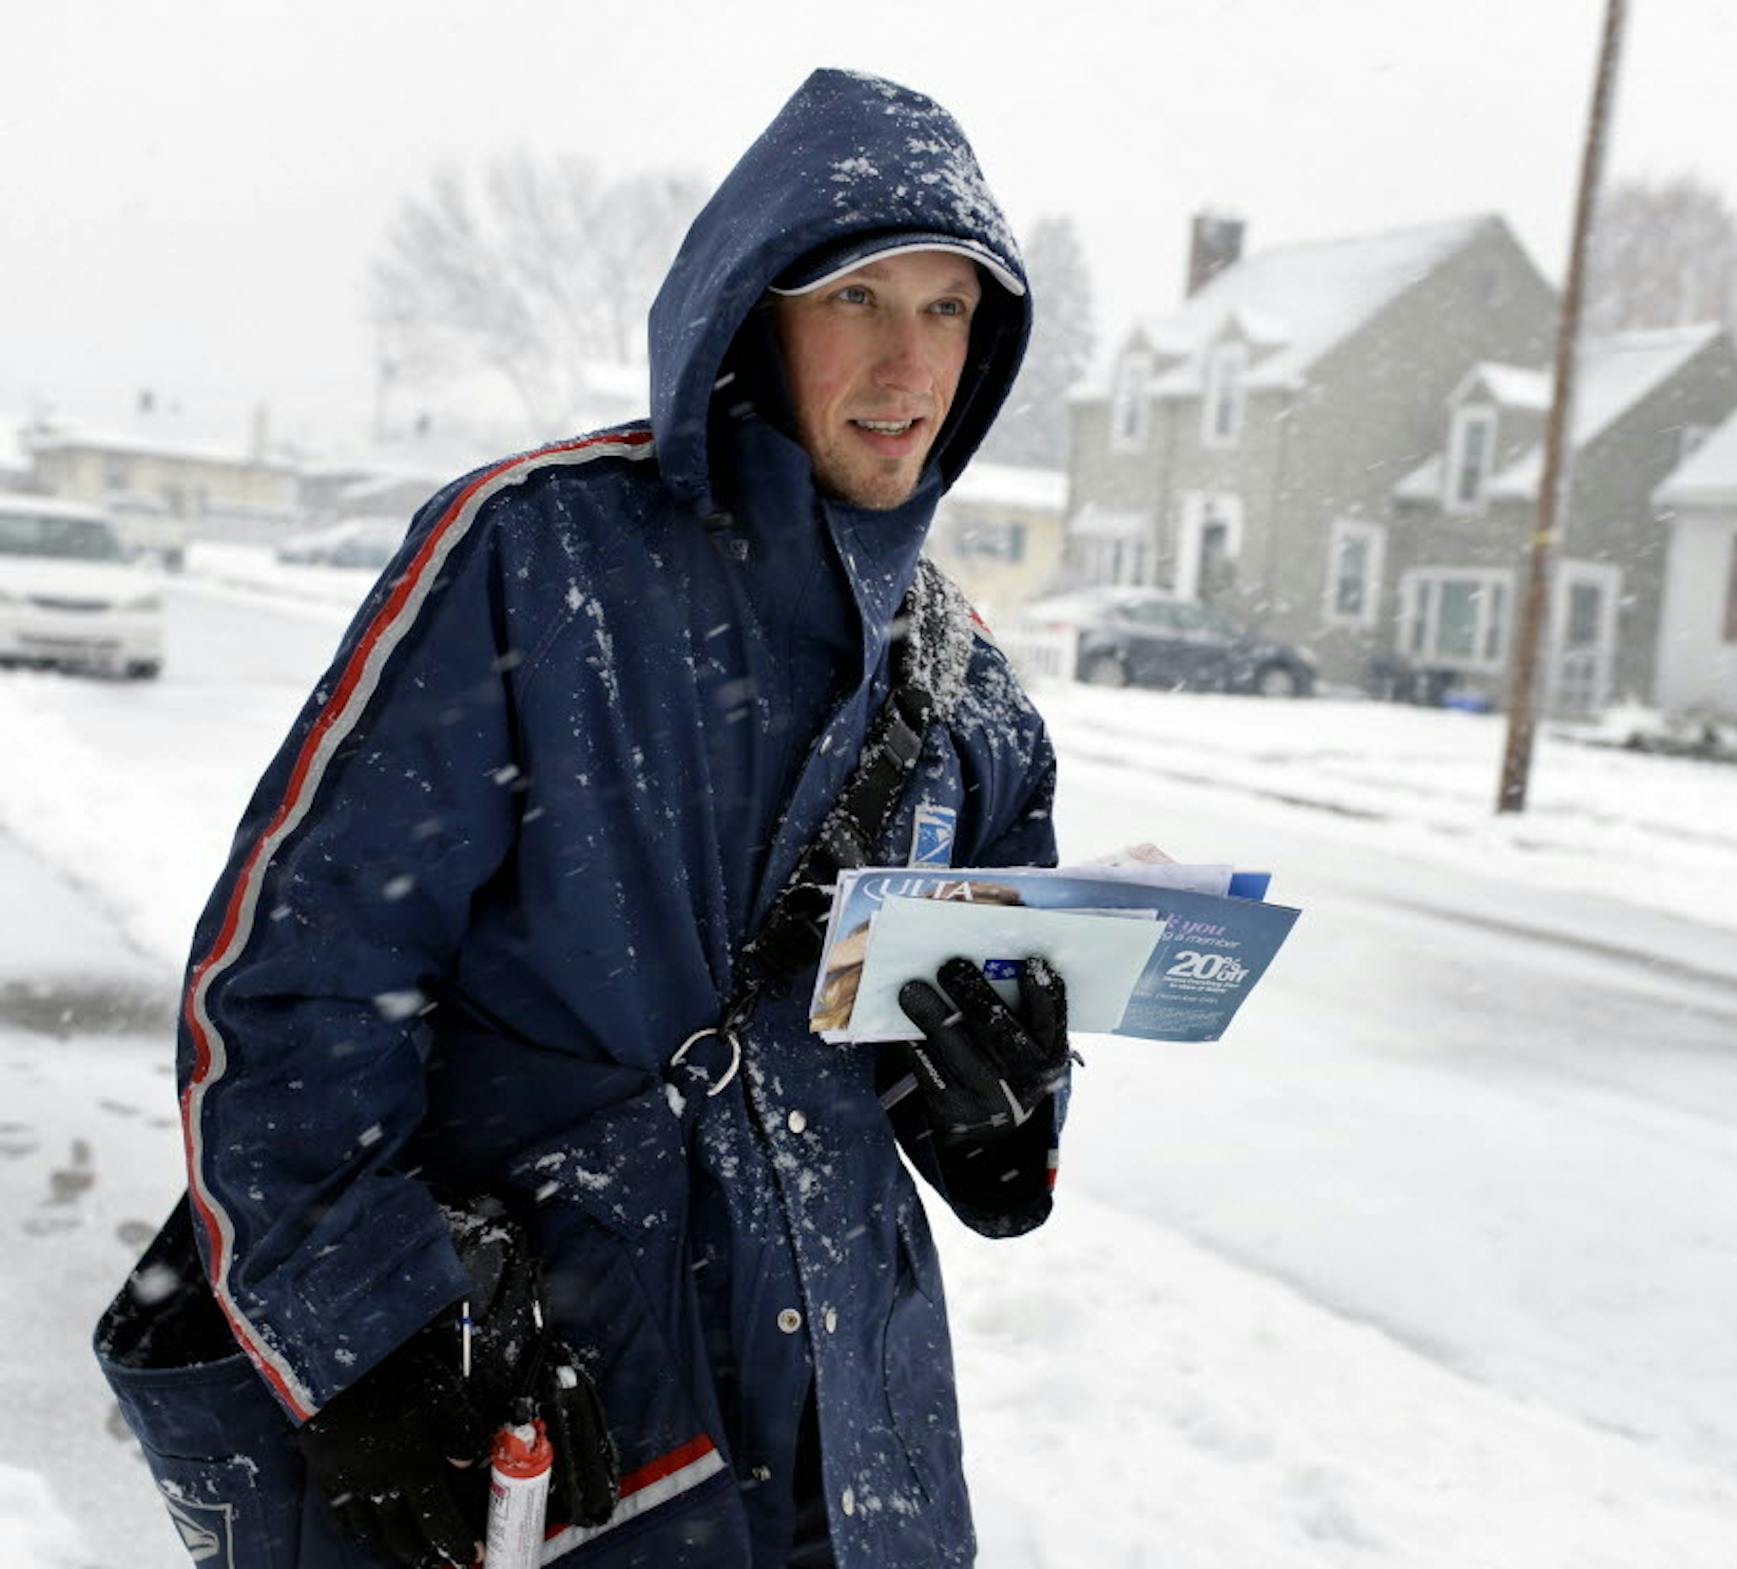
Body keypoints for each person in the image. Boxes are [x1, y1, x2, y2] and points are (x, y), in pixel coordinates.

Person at [97, 68, 1072, 1569]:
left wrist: (1002, 1114)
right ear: (757, 312)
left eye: (948, 310)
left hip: (861, 1454)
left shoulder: (973, 698)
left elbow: (967, 1037)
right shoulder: (537, 560)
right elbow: (288, 984)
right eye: (859, 297)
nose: (906, 360)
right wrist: (374, 1340)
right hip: (562, 1411)